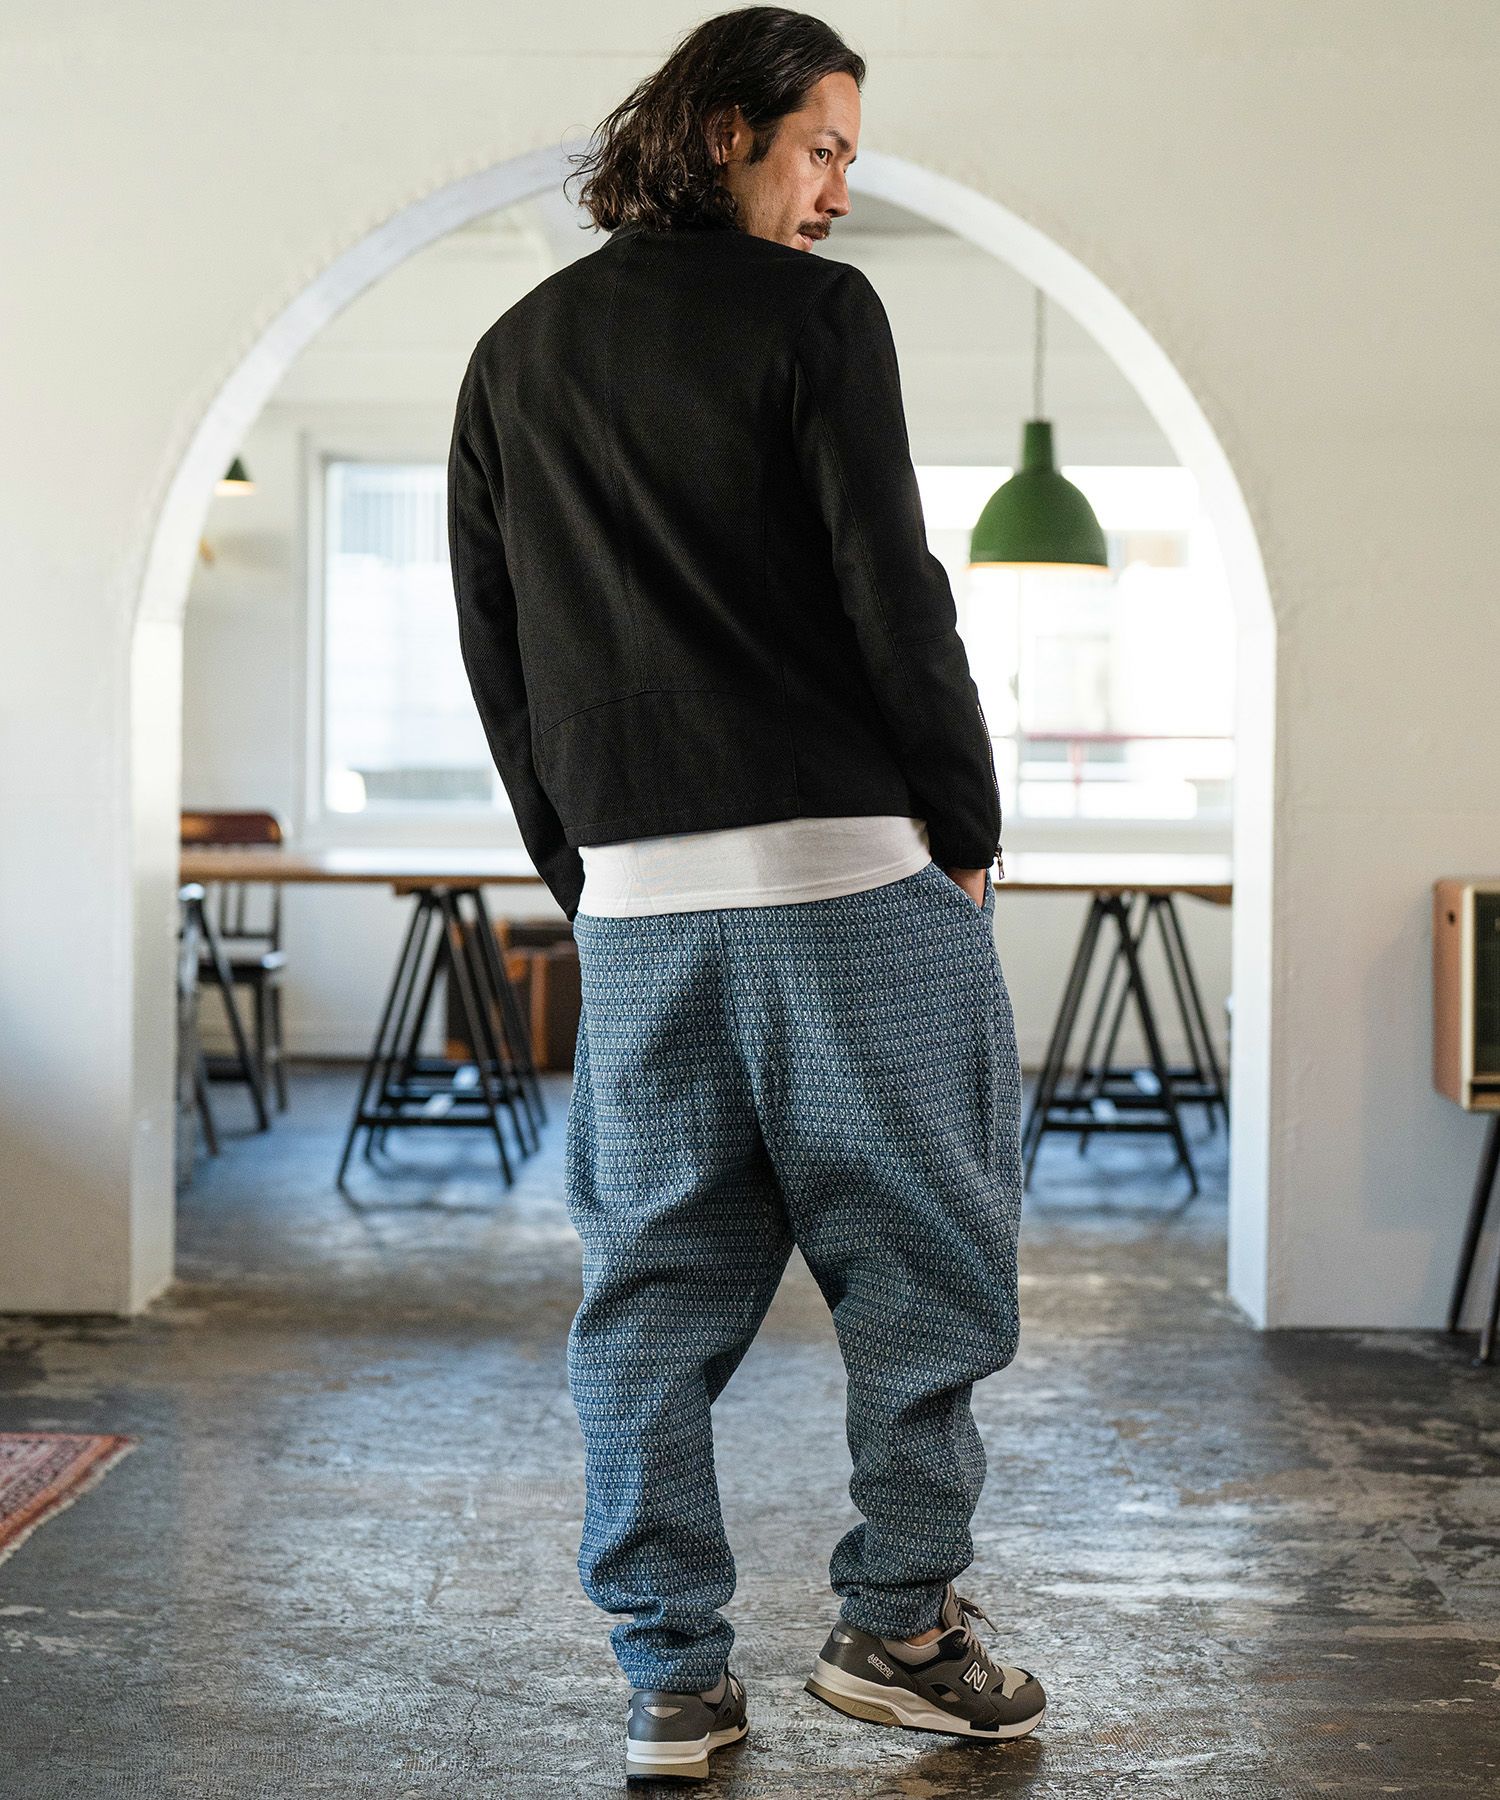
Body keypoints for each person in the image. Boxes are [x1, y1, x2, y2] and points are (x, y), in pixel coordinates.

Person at [446, 6, 1044, 1782]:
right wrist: (965, 822)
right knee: (928, 1270)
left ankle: (673, 1680)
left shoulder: (512, 353)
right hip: (848, 881)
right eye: (825, 149)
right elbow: (891, 586)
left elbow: (495, 651)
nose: (839, 191)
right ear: (728, 130)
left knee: (647, 1301)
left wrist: (585, 870)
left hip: (639, 912)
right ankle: (900, 1629)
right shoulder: (815, 316)